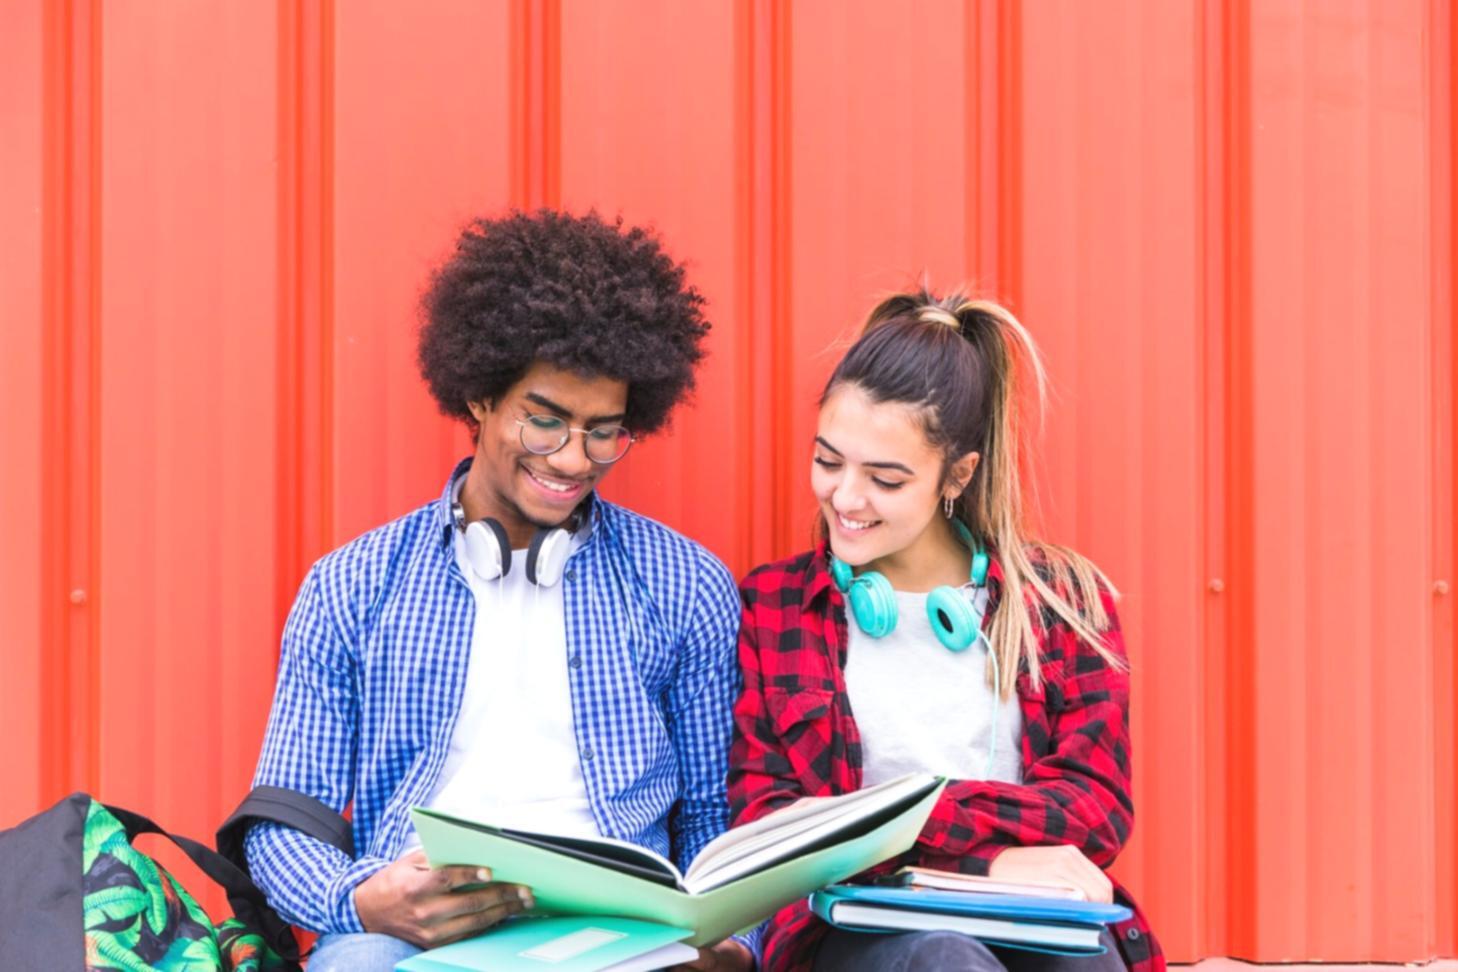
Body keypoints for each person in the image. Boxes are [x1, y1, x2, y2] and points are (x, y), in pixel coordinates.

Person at [245, 211, 755, 971]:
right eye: (545, 423)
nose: (575, 459)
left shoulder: (686, 586)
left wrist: (730, 949)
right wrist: (361, 900)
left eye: (603, 431)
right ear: (481, 398)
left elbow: (717, 815)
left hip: (625, 941)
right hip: (416, 942)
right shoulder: (352, 586)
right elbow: (284, 820)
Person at [728, 289, 1163, 971]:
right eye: (828, 461)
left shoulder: (1062, 602)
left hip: (1034, 921)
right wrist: (991, 855)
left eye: (886, 479)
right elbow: (766, 821)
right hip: (857, 931)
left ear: (955, 474)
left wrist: (883, 824)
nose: (845, 497)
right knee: (944, 959)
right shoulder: (775, 607)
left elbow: (1095, 806)